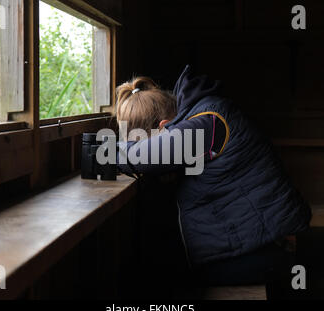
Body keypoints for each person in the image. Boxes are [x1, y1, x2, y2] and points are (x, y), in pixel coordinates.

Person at [115, 65, 312, 294]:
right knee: (160, 268)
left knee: (162, 278)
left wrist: (103, 149)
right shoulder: (206, 113)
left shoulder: (208, 122)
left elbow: (142, 156)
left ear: (164, 127)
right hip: (263, 242)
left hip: (270, 250)